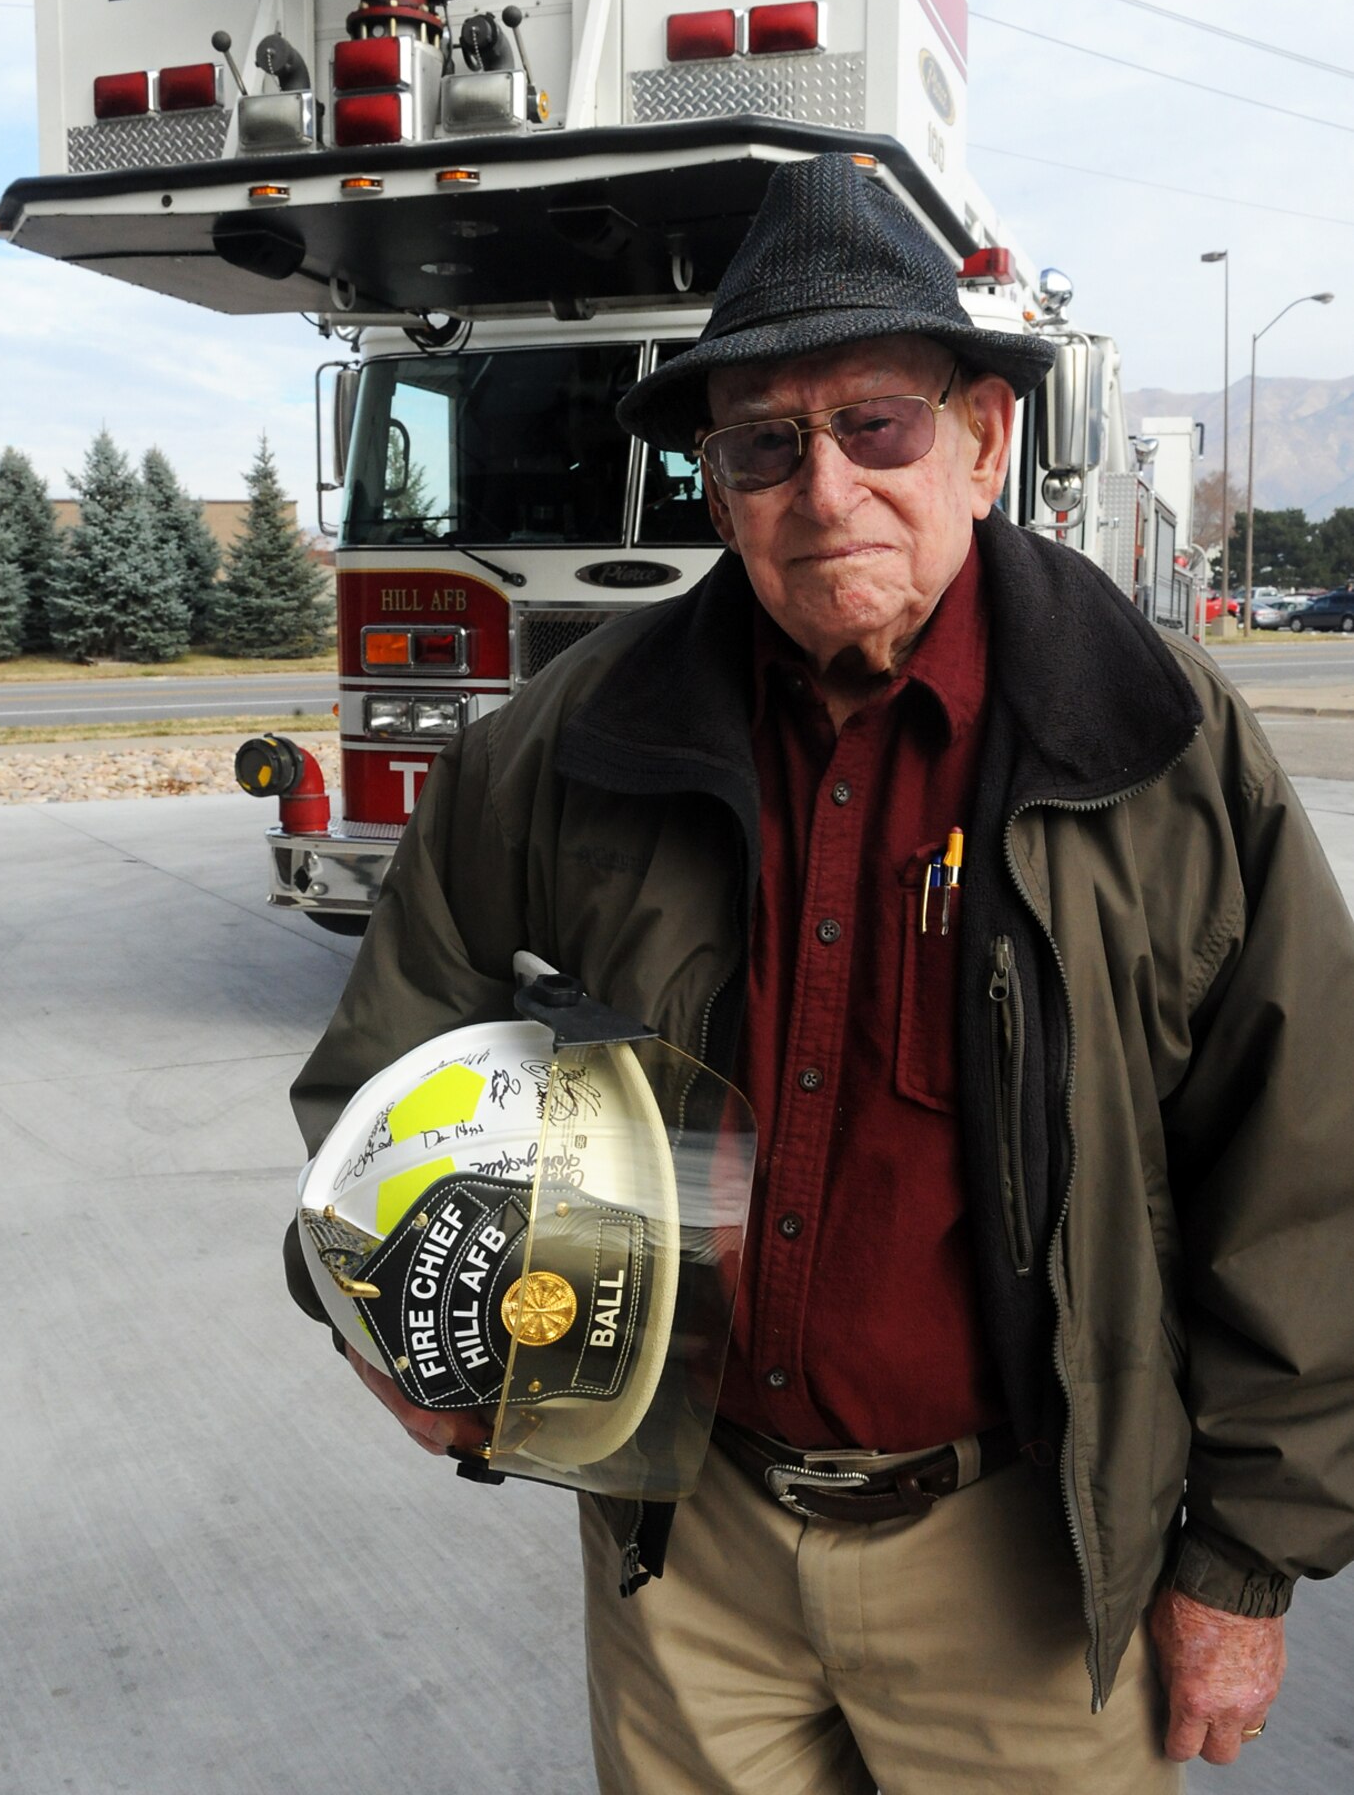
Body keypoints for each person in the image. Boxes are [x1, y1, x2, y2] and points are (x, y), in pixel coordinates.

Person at [287, 153, 1354, 1792]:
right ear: (715, 489)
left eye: (877, 422)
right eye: (763, 444)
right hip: (687, 1556)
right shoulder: (573, 738)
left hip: (1022, 1566)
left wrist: (1242, 1562)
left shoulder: (1157, 743)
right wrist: (397, 1324)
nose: (824, 486)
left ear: (981, 442)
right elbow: (386, 1057)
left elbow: (1302, 1170)